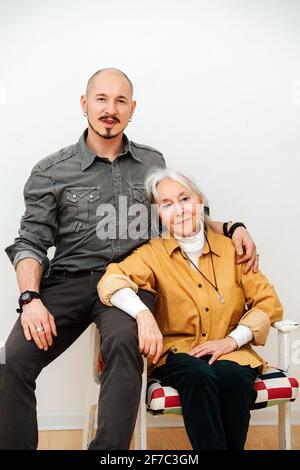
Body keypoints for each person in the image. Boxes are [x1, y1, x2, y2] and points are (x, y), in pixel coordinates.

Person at [1, 68, 257, 450]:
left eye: (120, 100)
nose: (110, 109)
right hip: (68, 282)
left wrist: (233, 226)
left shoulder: (152, 162)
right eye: (101, 99)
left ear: (132, 108)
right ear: (85, 104)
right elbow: (31, 242)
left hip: (131, 284)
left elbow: (181, 216)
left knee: (124, 342)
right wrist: (30, 299)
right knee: (12, 361)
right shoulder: (51, 170)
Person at [97, 168, 283, 450]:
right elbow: (110, 280)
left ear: (200, 202)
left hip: (232, 353)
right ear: (158, 214)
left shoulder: (233, 249)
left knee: (232, 378)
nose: (180, 210)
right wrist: (142, 313)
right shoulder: (152, 254)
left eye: (185, 199)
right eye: (167, 205)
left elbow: (268, 303)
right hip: (177, 355)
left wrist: (232, 341)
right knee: (200, 375)